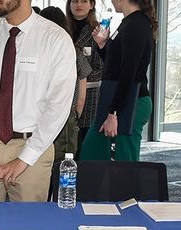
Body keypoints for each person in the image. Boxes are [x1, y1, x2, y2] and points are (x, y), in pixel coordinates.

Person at [0, 0, 76, 202]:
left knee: (28, 229)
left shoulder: (56, 39)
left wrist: (25, 158)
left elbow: (57, 107)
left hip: (33, 147)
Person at [79, 0, 156, 162]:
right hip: (118, 99)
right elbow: (115, 66)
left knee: (124, 159)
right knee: (92, 151)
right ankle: (100, 187)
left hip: (131, 101)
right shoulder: (127, 23)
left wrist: (113, 112)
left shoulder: (137, 25)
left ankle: (125, 188)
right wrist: (103, 45)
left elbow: (130, 71)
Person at [40, 6, 91, 169]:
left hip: (36, 116)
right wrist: (75, 115)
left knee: (38, 164)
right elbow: (82, 96)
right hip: (65, 116)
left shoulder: (34, 51)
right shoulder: (75, 52)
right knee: (63, 167)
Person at [66, 0, 104, 151]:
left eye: (83, 1)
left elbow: (103, 68)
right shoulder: (60, 28)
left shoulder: (98, 30)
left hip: (90, 94)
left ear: (92, 5)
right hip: (63, 93)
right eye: (74, 1)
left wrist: (80, 78)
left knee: (84, 143)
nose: (78, 5)